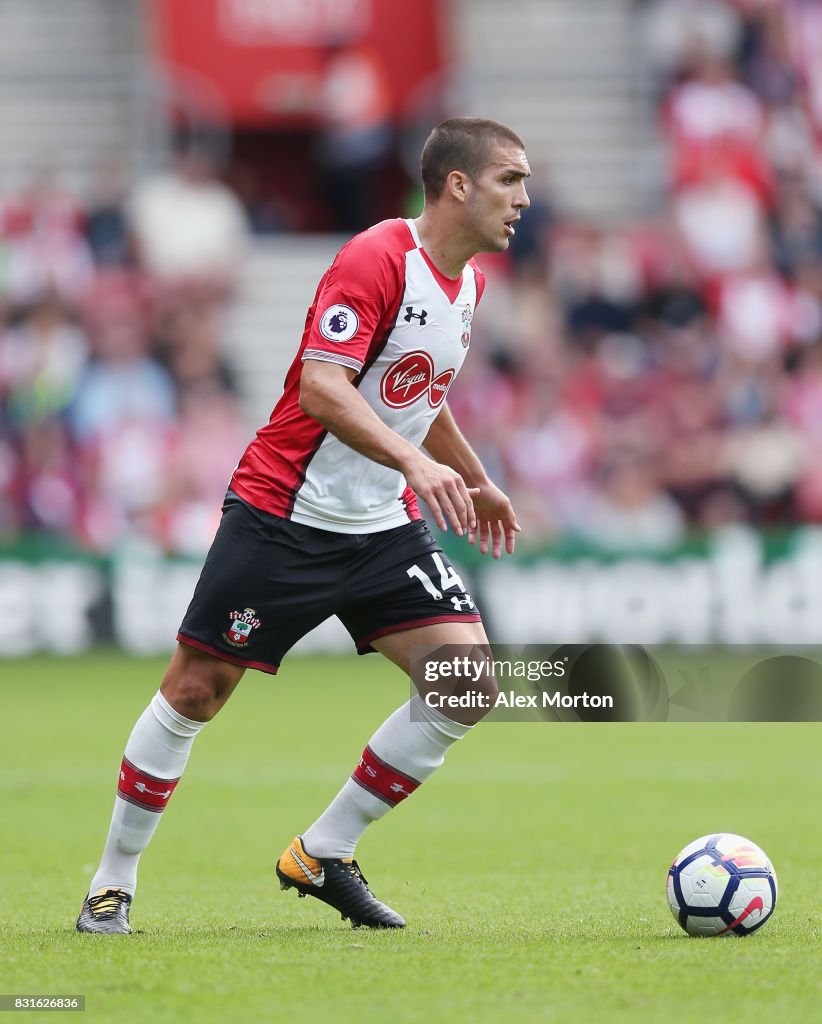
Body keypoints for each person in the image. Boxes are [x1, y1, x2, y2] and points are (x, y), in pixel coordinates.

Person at [76, 117, 530, 934]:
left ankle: (323, 851)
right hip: (284, 512)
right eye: (510, 181)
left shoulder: (467, 286)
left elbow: (418, 390)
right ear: (458, 185)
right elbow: (323, 386)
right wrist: (418, 466)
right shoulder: (376, 257)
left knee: (467, 685)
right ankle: (113, 881)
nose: (524, 200)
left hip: (379, 526)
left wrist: (470, 472)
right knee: (193, 692)